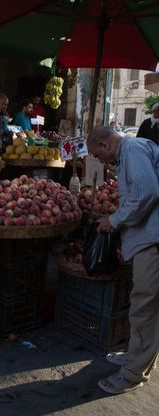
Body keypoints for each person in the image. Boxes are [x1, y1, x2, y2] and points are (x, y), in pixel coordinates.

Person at [87, 126, 159, 395]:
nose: (102, 161)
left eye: (99, 155)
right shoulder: (134, 150)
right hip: (150, 237)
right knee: (148, 306)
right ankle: (137, 357)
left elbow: (147, 193)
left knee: (144, 307)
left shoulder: (132, 150)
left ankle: (132, 374)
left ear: (105, 145)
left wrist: (114, 220)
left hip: (154, 241)